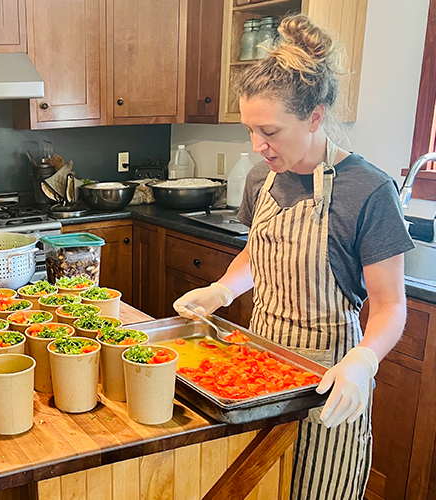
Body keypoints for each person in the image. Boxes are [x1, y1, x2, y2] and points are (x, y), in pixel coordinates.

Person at [173, 15, 413, 500]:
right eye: (250, 130)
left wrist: (362, 363)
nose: (258, 146)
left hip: (330, 375)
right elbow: (258, 253)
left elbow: (391, 306)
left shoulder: (367, 190)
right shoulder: (261, 178)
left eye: (271, 131)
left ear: (316, 117)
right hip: (260, 360)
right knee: (257, 483)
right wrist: (222, 289)